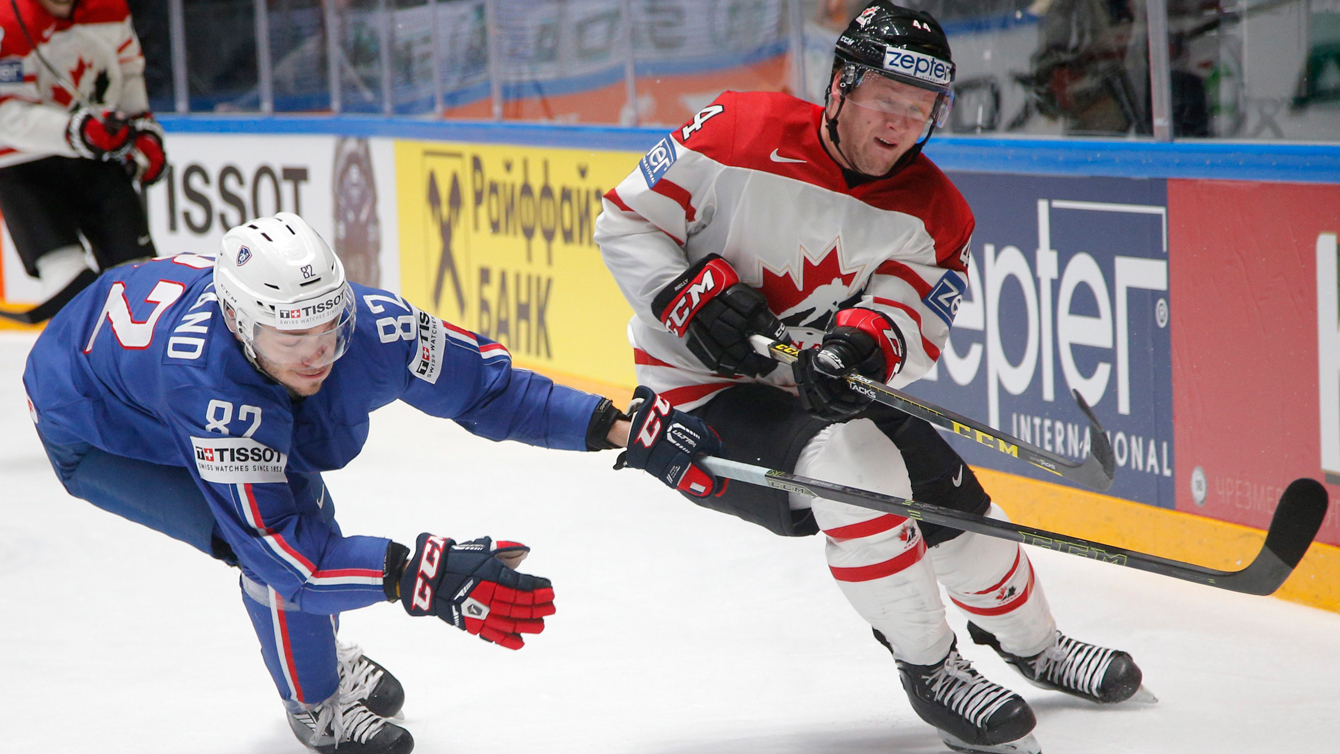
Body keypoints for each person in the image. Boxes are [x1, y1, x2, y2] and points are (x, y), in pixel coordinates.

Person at [594, 3, 1144, 753]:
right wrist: (686, 295)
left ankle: (1034, 643)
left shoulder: (937, 212)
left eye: (920, 111)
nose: (900, 125)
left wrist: (863, 348)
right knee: (860, 466)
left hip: (810, 383)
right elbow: (624, 222)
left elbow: (911, 317)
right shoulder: (734, 132)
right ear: (840, 87)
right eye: (887, 100)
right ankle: (931, 667)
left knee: (956, 502)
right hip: (696, 390)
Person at [22, 212, 721, 754]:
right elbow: (283, 555)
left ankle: (316, 649)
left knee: (301, 515)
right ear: (239, 322)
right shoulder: (211, 391)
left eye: (325, 325)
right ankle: (316, 705)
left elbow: (488, 391)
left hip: (156, 368)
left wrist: (617, 427)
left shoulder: (370, 324)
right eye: (290, 338)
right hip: (97, 428)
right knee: (274, 541)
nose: (317, 353)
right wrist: (421, 574)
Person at [0, 0, 167, 321]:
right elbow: (4, 113)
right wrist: (73, 130)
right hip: (22, 167)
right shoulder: (8, 19)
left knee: (142, 282)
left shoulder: (109, 7)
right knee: (70, 287)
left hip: (97, 157)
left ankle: (143, 364)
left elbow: (129, 71)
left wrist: (141, 128)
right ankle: (83, 364)